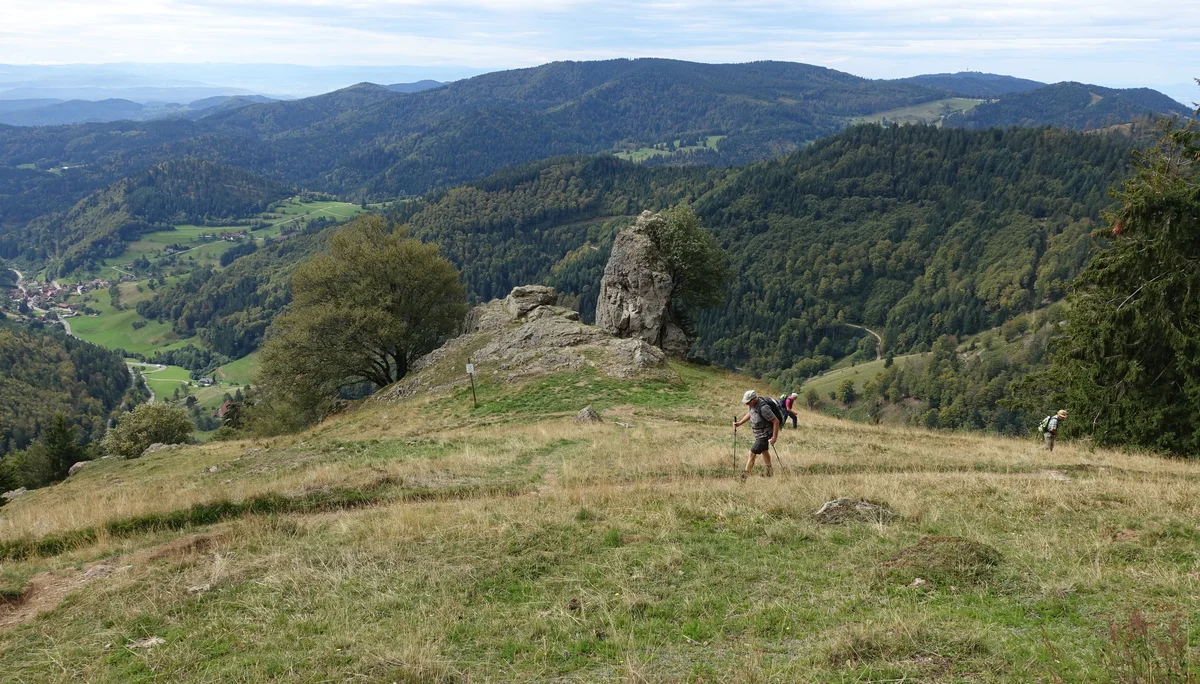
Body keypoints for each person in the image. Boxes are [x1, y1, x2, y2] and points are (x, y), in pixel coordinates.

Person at [734, 389, 779, 480]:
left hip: (765, 434)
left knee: (752, 453)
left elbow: (775, 421)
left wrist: (774, 437)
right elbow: (750, 413)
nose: (746, 404)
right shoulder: (753, 405)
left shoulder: (763, 408)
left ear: (753, 400)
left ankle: (744, 477)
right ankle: (769, 472)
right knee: (764, 451)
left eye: (748, 402)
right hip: (758, 434)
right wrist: (739, 423)